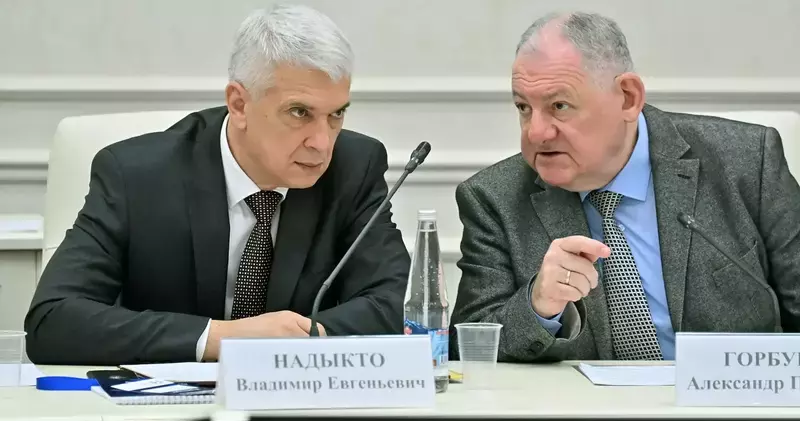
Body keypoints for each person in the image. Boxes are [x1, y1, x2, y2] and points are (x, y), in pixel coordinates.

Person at [25, 5, 410, 365]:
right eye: (299, 112)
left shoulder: (354, 168)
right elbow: (52, 321)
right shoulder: (137, 176)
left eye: (336, 115)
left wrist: (298, 342)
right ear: (239, 104)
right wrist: (223, 338)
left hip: (298, 401)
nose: (322, 143)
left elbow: (394, 307)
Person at [449, 11, 800, 362]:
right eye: (524, 108)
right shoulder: (493, 199)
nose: (536, 132)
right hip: (583, 401)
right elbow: (468, 349)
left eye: (559, 106)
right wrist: (537, 306)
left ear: (628, 98)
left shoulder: (745, 162)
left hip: (731, 393)